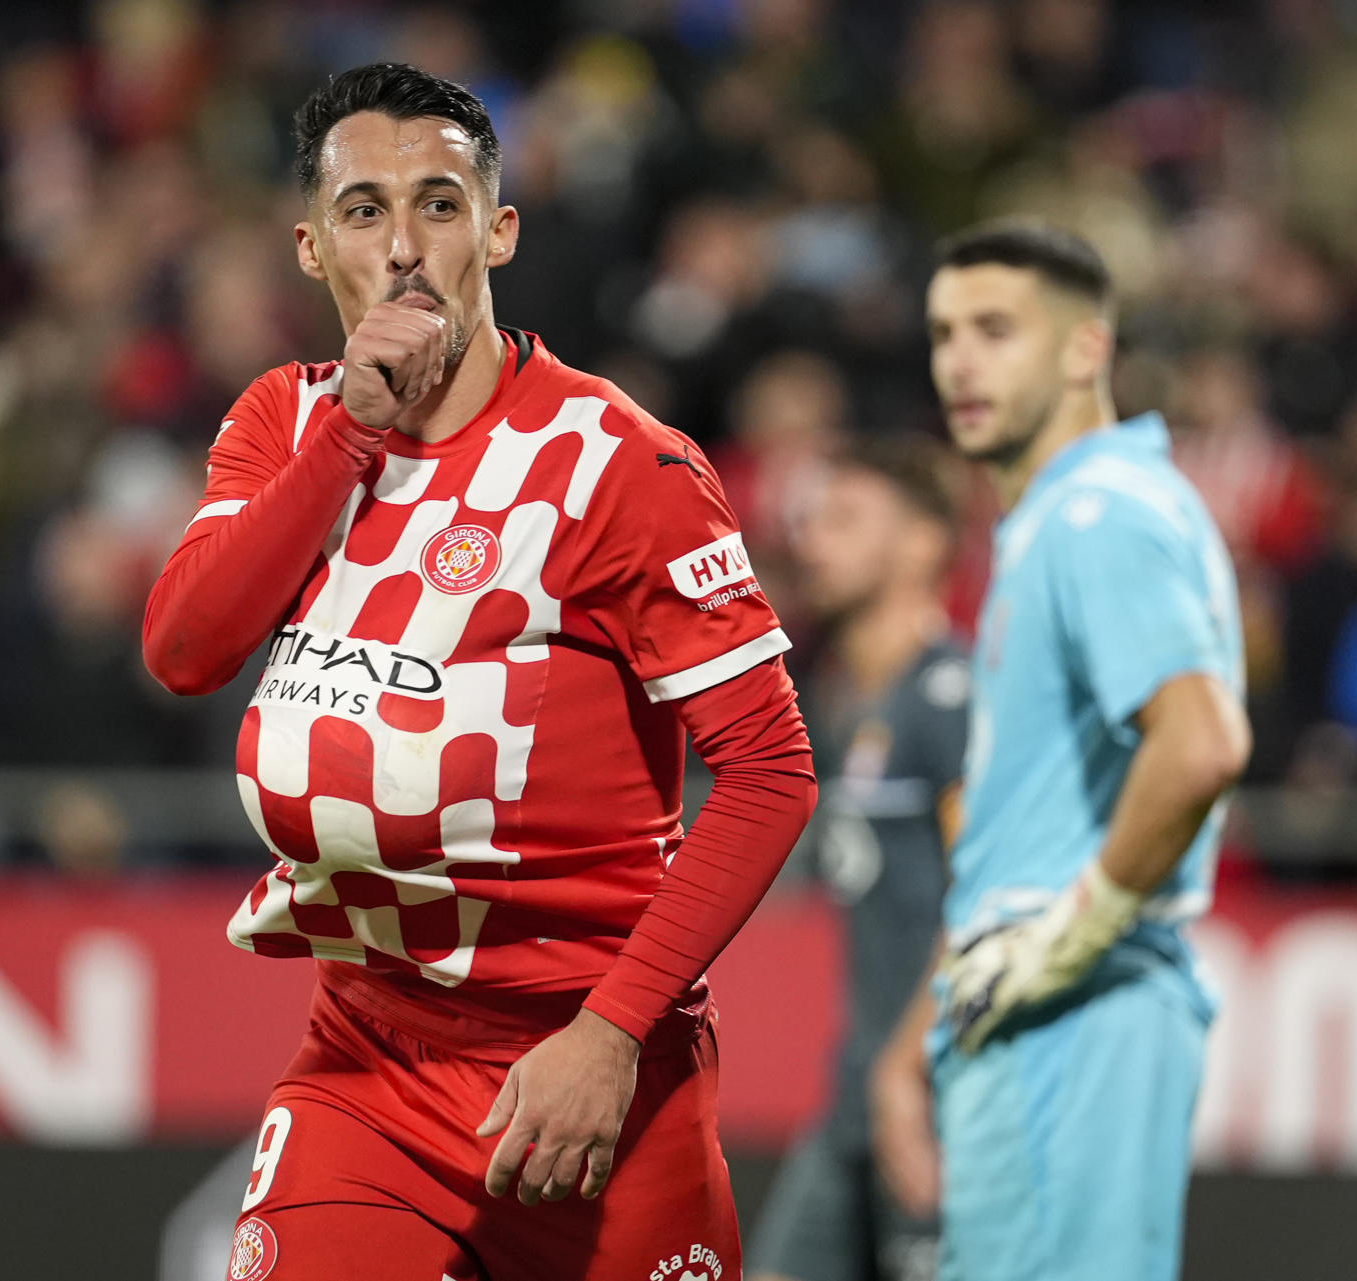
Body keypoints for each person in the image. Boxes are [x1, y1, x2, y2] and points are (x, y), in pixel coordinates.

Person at [142, 64, 816, 1281]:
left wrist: (611, 1034)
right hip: (367, 1059)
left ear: (498, 228)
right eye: (363, 211)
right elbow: (186, 652)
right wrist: (353, 427)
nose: (403, 247)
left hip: (589, 1078)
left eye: (440, 204)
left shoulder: (619, 465)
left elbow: (771, 772)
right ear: (309, 248)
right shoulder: (282, 425)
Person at [870, 221, 1251, 1281]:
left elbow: (1203, 741)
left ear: (1088, 349)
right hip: (1041, 1013)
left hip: (1074, 1016)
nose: (960, 361)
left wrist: (1066, 941)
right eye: (945, 333)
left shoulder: (1095, 513)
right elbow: (1024, 831)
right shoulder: (1067, 518)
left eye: (997, 330)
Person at [750, 435, 968, 1281]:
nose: (815, 539)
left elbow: (985, 897)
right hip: (858, 1093)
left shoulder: (950, 698)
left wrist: (903, 1066)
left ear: (922, 544)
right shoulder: (842, 706)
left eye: (846, 518)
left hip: (932, 1091)